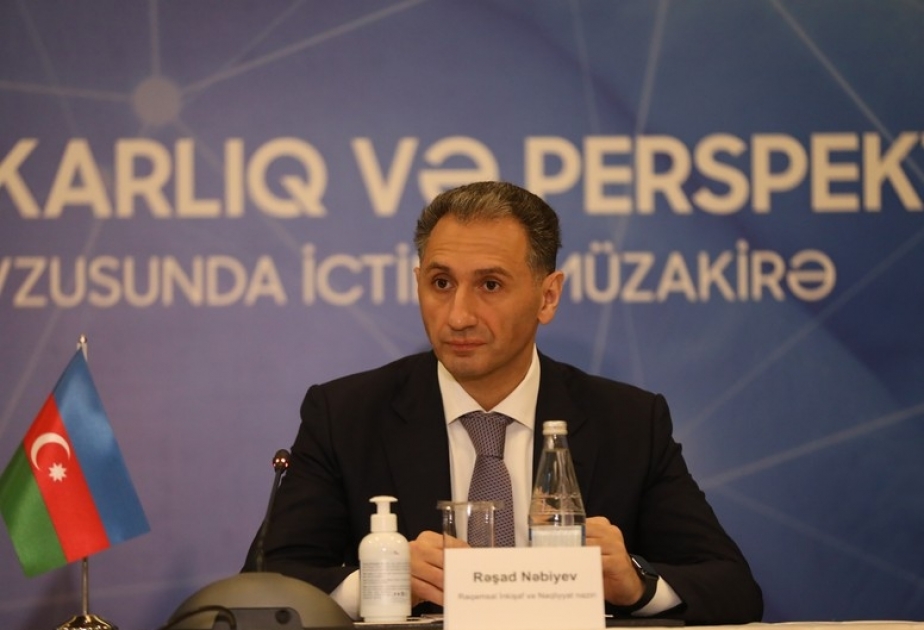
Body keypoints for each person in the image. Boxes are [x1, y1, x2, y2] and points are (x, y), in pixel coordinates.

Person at [244, 181, 763, 625]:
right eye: (441, 283)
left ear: (547, 296)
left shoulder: (628, 422)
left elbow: (732, 587)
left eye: (490, 284)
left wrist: (636, 584)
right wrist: (382, 579)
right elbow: (262, 589)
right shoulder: (345, 415)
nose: (458, 315)